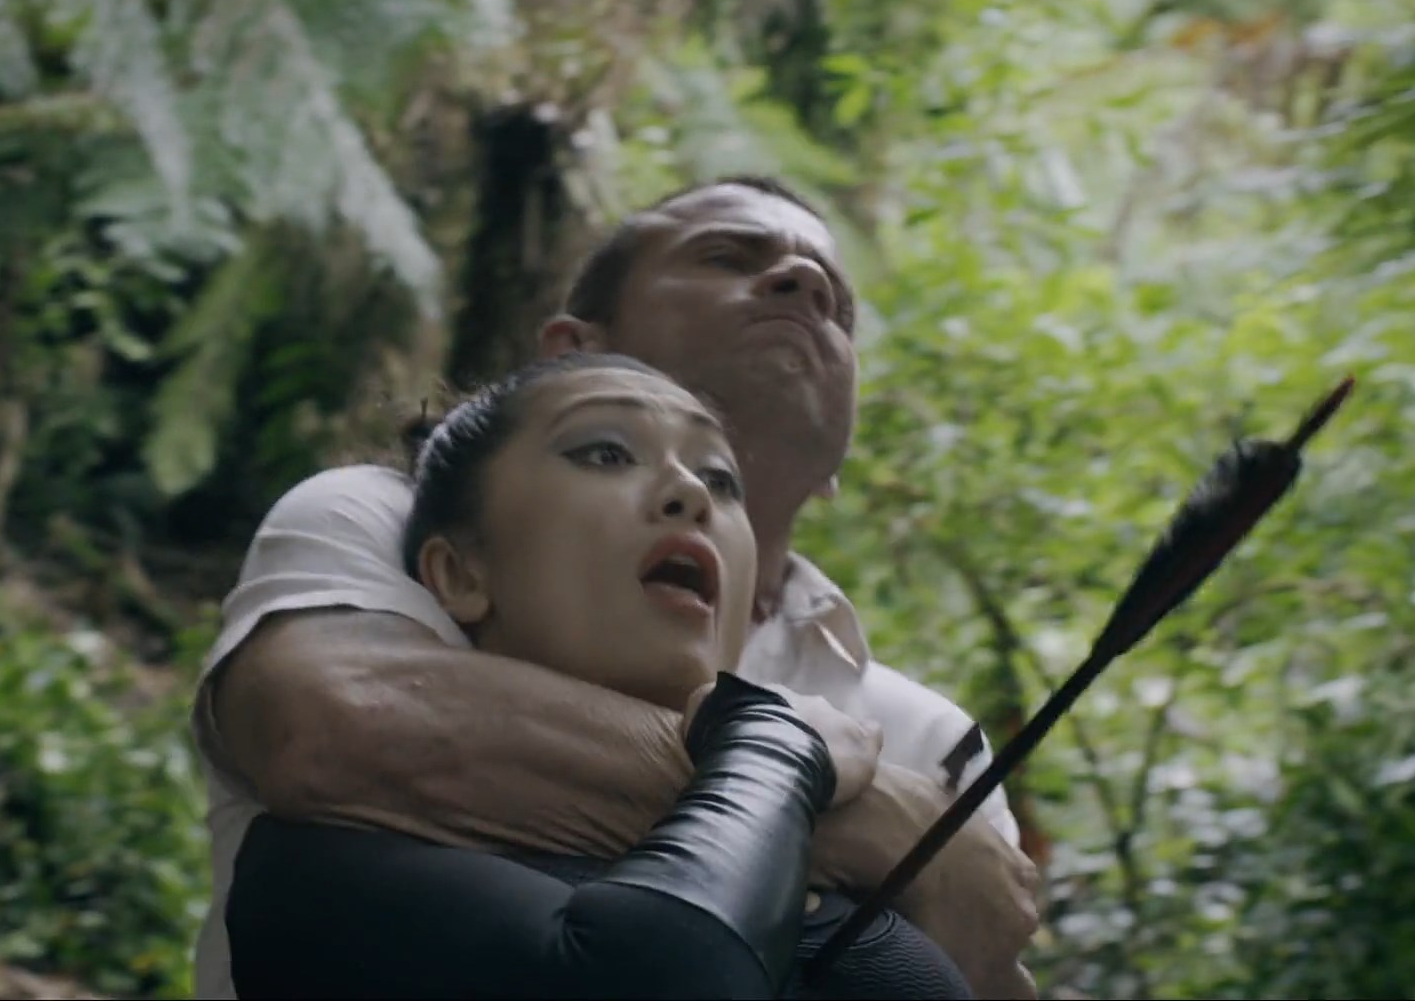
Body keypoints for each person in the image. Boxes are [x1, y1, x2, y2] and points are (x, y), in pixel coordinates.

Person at [193, 176, 1042, 999]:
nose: (801, 281)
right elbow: (335, 723)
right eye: (727, 256)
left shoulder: (926, 737)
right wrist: (855, 810)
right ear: (576, 349)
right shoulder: (387, 519)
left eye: (836, 302)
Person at [227, 352, 976, 998]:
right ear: (461, 573)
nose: (689, 493)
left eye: (720, 479)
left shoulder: (842, 886)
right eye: (606, 453)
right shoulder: (325, 864)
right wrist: (775, 742)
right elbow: (664, 974)